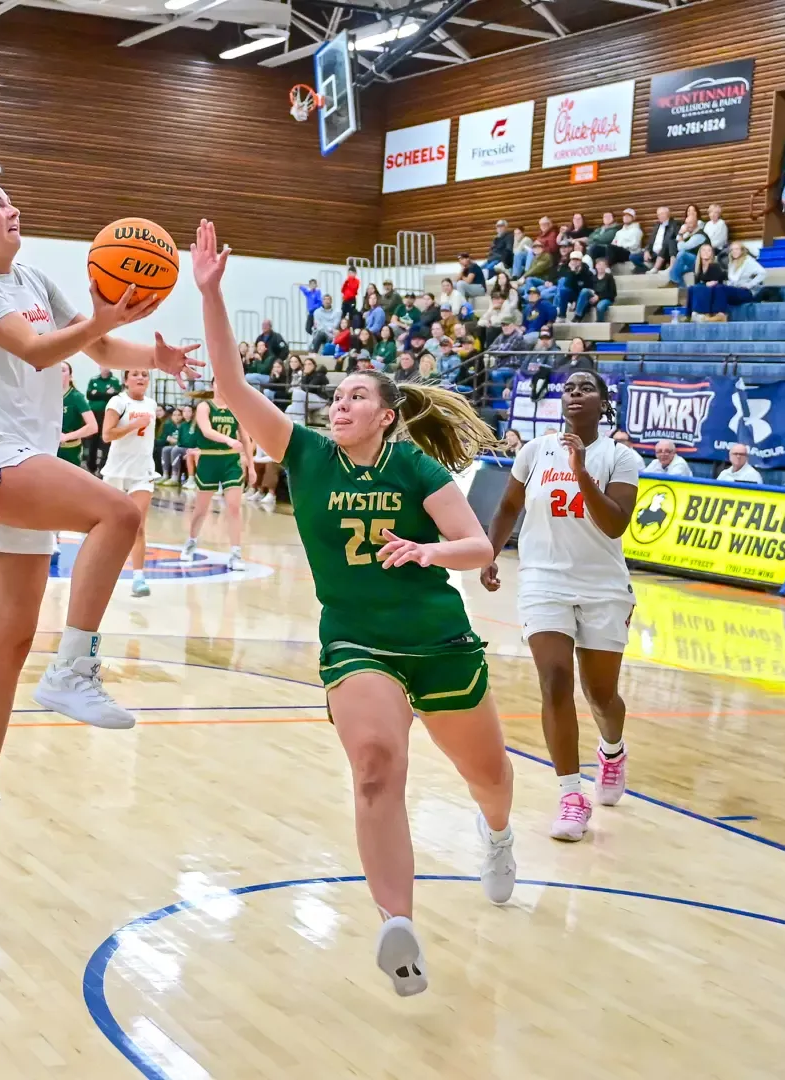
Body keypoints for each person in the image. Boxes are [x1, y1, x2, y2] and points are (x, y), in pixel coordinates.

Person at [191, 219, 517, 996]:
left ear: (386, 413)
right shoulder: (303, 454)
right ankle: (397, 927)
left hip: (437, 638)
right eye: (335, 396)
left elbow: (478, 548)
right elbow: (233, 388)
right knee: (375, 768)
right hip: (355, 642)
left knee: (492, 779)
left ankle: (498, 836)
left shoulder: (415, 464)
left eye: (355, 396)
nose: (338, 404)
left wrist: (428, 552)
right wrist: (210, 293)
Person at [0, 181, 199, 874]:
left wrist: (154, 360)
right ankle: (75, 667)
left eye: (14, 200)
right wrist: (101, 319)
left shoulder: (35, 276)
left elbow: (100, 353)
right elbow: (42, 352)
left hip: (23, 461)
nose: (12, 209)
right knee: (117, 510)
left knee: (10, 644)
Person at [480, 369, 640, 843]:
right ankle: (571, 792)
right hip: (542, 579)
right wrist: (489, 553)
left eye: (586, 387)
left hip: (603, 585)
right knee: (554, 680)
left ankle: (611, 750)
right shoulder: (533, 451)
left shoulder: (621, 457)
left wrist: (581, 472)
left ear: (603, 403)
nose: (575, 393)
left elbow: (614, 525)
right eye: (568, 387)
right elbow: (509, 508)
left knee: (601, 695)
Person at [100, 370, 160, 598]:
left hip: (142, 472)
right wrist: (134, 425)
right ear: (125, 380)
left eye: (145, 374)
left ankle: (138, 577)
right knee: (109, 525)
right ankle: (101, 571)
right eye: (135, 374)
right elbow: (107, 435)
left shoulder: (152, 404)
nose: (141, 377)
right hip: (116, 471)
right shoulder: (118, 401)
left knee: (138, 524)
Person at [181, 389, 248, 571]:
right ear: (213, 385)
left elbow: (245, 438)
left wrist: (251, 464)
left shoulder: (236, 408)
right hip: (209, 459)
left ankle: (235, 554)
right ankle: (191, 541)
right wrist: (229, 440)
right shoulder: (205, 406)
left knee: (234, 508)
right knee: (201, 509)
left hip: (230, 460)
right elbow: (207, 430)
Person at [82, 367, 122, 474]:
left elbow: (116, 396)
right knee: (92, 440)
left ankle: (103, 467)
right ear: (100, 367)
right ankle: (91, 466)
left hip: (108, 414)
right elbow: (89, 395)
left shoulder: (115, 381)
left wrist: (98, 394)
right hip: (94, 413)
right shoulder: (93, 380)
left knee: (105, 441)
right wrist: (106, 394)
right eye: (103, 365)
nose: (105, 368)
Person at [59, 362, 97, 467]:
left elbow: (93, 427)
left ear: (70, 376)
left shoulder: (76, 397)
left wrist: (67, 436)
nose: (58, 373)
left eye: (62, 370)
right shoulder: (47, 395)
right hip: (48, 449)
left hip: (69, 450)